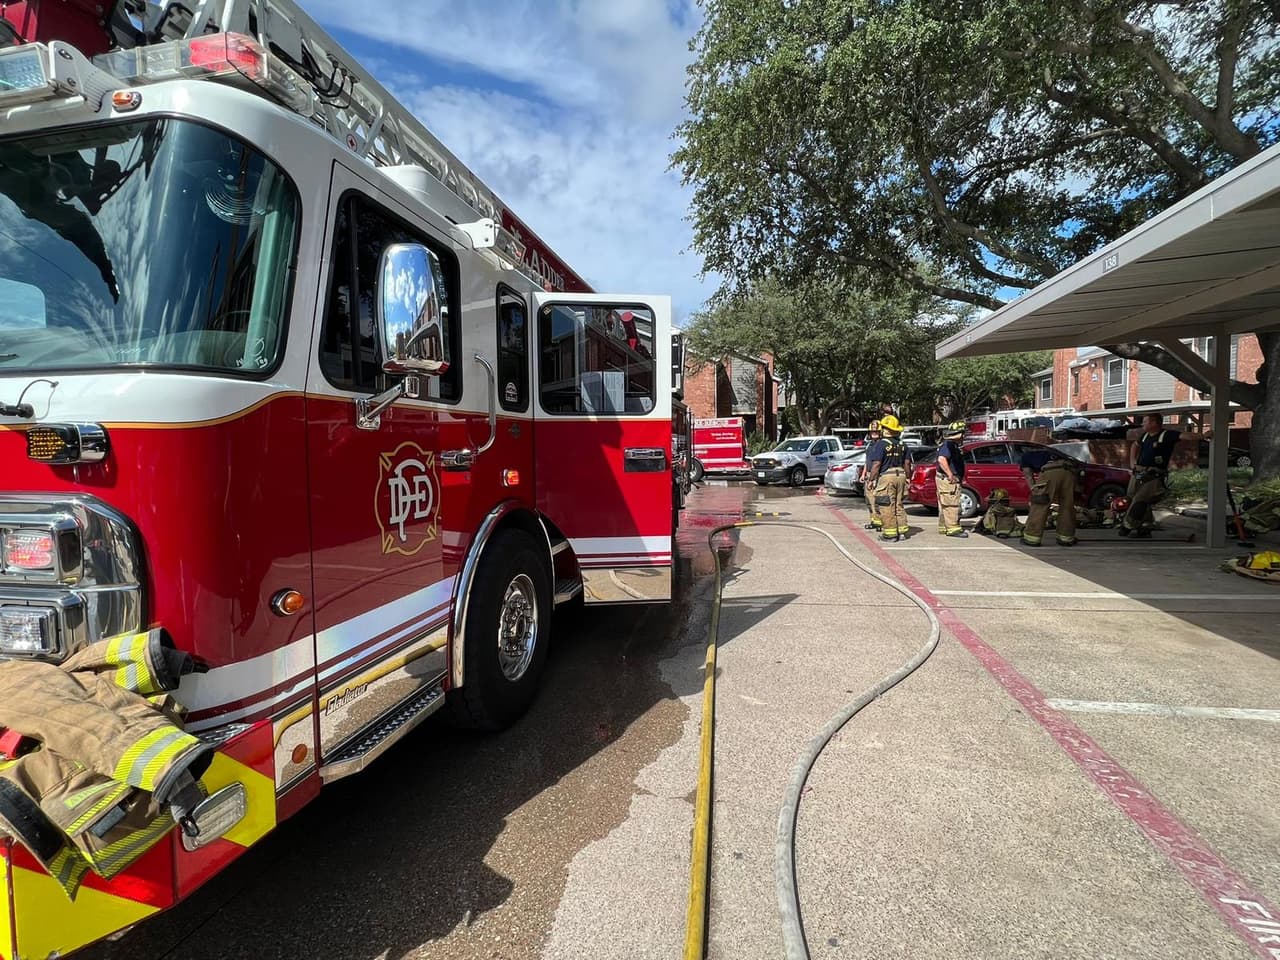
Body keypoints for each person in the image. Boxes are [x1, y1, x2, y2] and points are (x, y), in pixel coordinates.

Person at [1119, 414, 1181, 539]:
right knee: (1132, 497)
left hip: (1154, 474)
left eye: (1145, 421)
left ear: (1153, 423)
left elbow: (1186, 436)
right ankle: (1145, 527)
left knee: (1140, 500)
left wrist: (1205, 435)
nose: (1142, 424)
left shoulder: (1167, 435)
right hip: (1139, 471)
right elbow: (1134, 446)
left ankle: (1128, 525)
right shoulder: (1145, 436)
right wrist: (1132, 462)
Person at [866, 415, 913, 542]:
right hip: (901, 475)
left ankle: (890, 534)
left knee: (886, 505)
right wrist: (908, 478)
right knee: (899, 504)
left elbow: (876, 464)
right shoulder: (903, 445)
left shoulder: (881, 444)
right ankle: (902, 531)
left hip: (887, 477)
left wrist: (871, 480)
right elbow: (907, 463)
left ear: (885, 429)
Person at [1019, 446, 1079, 546]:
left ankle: (1032, 538)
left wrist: (1035, 491)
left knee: (1040, 504)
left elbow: (1028, 476)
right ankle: (1066, 538)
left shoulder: (1025, 457)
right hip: (1069, 471)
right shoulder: (1052, 450)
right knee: (1067, 505)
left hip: (1050, 471)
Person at [934, 420, 969, 537]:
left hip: (944, 480)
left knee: (945, 504)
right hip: (948, 481)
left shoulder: (950, 445)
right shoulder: (948, 445)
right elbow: (942, 459)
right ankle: (953, 528)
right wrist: (950, 475)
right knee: (951, 504)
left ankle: (944, 526)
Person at [862, 420, 884, 531]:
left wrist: (874, 477)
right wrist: (863, 474)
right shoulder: (870, 445)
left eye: (876, 431)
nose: (874, 433)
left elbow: (878, 463)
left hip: (878, 475)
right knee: (869, 500)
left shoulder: (881, 445)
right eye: (872, 432)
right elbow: (867, 461)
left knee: (877, 501)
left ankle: (880, 522)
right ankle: (874, 521)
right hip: (869, 475)